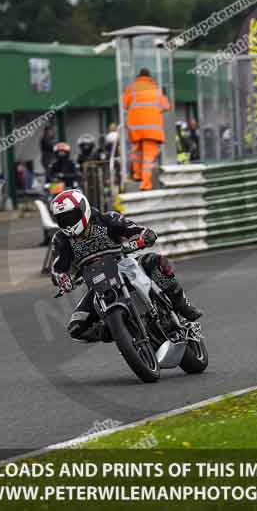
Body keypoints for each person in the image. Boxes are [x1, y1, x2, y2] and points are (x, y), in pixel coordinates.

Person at [49, 189, 202, 343]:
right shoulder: (61, 239)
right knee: (76, 328)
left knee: (155, 261)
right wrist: (62, 279)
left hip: (123, 265)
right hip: (97, 285)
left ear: (83, 208)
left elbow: (133, 229)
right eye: (63, 219)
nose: (68, 222)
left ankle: (182, 304)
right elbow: (57, 267)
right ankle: (118, 330)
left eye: (71, 216)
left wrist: (144, 235)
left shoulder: (107, 219)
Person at [122, 68, 171, 191]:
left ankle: (137, 176)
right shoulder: (156, 90)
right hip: (152, 130)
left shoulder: (131, 88)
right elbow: (166, 106)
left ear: (138, 77)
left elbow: (124, 105)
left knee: (137, 154)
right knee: (148, 158)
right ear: (150, 77)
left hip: (136, 129)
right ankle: (146, 184)